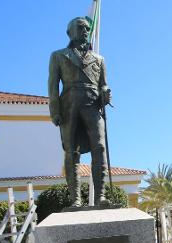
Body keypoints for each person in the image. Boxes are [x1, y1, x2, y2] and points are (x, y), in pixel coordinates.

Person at [48, 17, 112, 207]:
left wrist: (106, 92)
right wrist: (55, 110)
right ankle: (75, 199)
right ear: (70, 32)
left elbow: (104, 84)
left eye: (87, 28)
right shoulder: (59, 56)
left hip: (93, 104)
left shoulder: (99, 59)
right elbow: (52, 85)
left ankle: (100, 197)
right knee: (71, 151)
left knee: (99, 147)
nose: (85, 31)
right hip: (69, 105)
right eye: (80, 27)